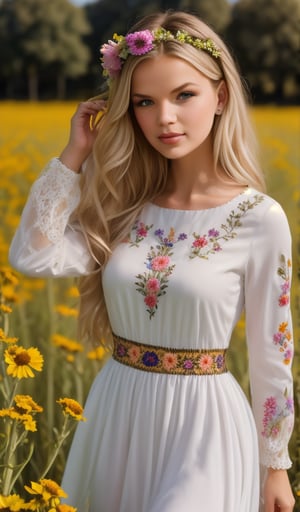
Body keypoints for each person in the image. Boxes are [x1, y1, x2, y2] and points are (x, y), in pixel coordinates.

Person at [9, 10, 295, 512]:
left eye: (184, 95)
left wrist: (275, 466)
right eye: (145, 101)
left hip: (205, 428)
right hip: (117, 411)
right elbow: (32, 255)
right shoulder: (124, 206)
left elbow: (274, 349)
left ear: (221, 96)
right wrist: (75, 154)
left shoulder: (259, 218)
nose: (164, 117)